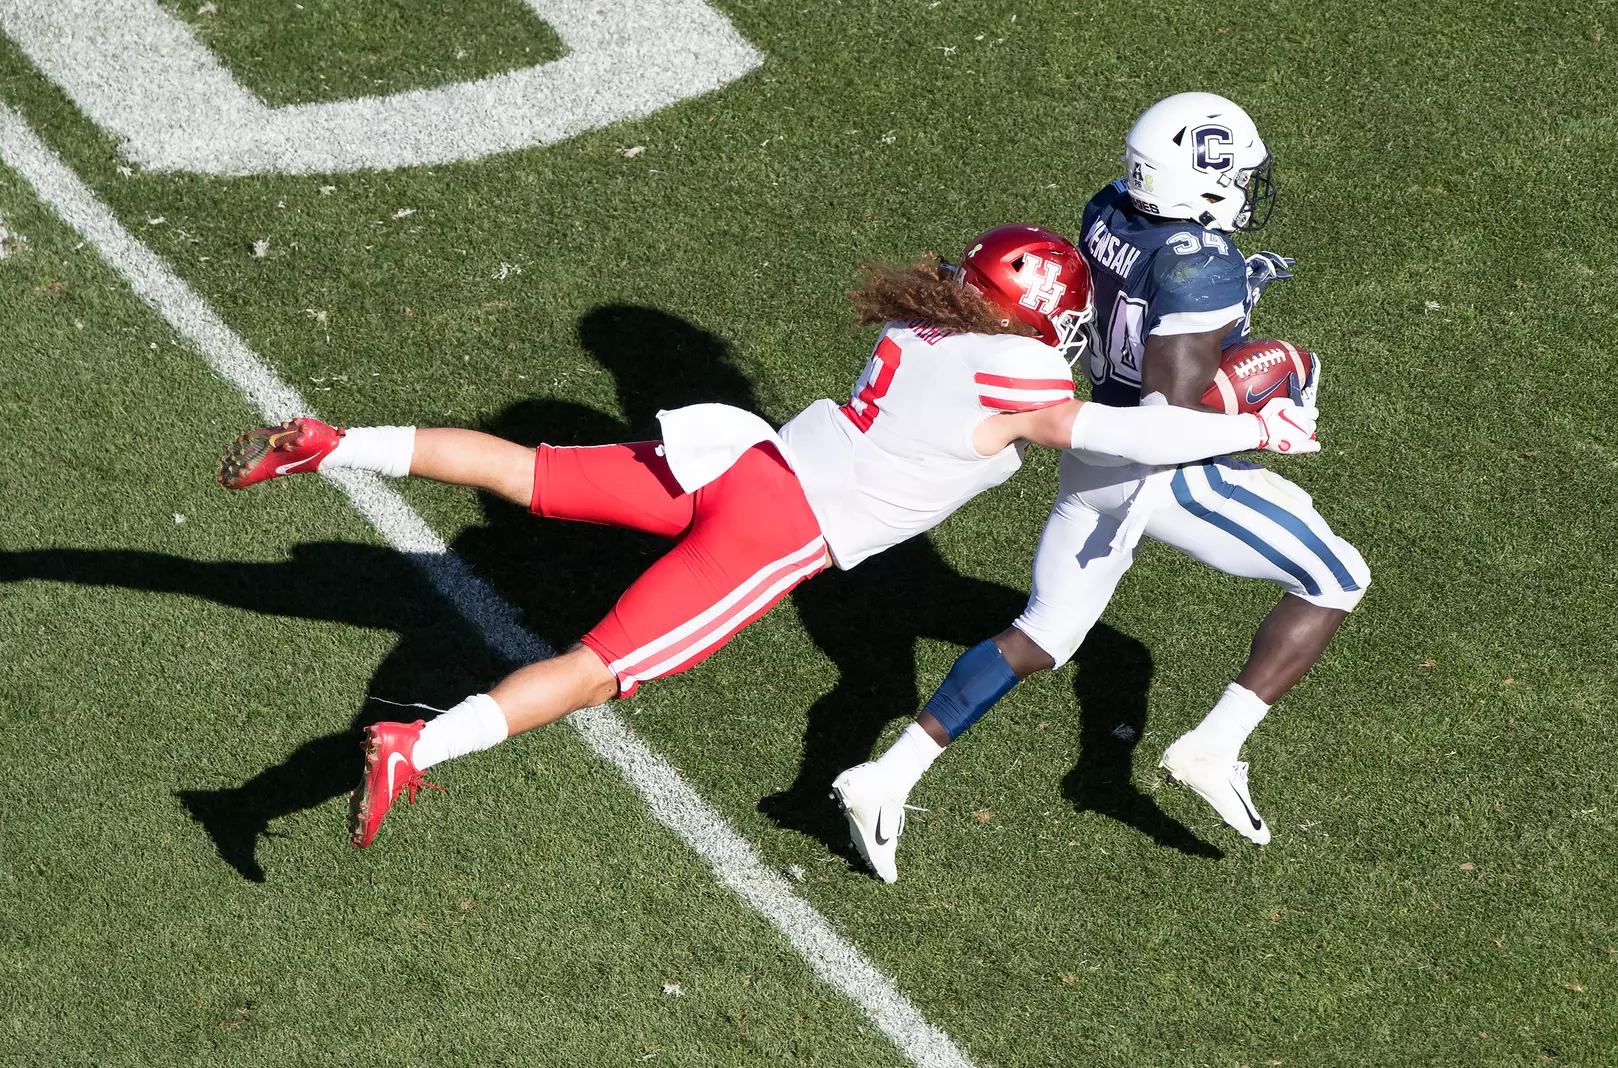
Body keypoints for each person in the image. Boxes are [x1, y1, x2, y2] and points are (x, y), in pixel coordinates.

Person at [216, 223, 1318, 850]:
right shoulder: (1024, 364)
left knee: (523, 472)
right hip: (779, 525)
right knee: (596, 668)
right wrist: (1245, 418)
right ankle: (420, 743)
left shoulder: (919, 319)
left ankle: (330, 440)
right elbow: (1109, 427)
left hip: (739, 459)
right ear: (1035, 312)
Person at [833, 93, 1369, 881]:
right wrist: (1264, 383)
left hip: (1095, 448)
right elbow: (1176, 409)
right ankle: (1212, 748)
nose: (1248, 188)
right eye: (1237, 174)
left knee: (1045, 633)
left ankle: (887, 777)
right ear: (1197, 180)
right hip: (1159, 466)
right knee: (1337, 577)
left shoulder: (1110, 208)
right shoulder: (1202, 262)